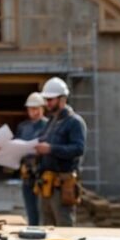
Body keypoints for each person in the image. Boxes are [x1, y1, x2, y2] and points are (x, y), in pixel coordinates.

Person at [34, 77, 86, 226]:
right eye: (47, 99)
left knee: (64, 230)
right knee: (47, 230)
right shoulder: (52, 122)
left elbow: (78, 148)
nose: (48, 103)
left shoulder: (75, 122)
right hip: (46, 184)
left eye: (51, 99)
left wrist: (50, 149)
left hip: (62, 186)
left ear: (63, 99)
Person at [16, 92, 48, 226]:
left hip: (43, 175)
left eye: (36, 109)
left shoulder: (49, 125)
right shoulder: (23, 127)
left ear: (42, 108)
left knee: (44, 212)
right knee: (31, 211)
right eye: (30, 109)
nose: (33, 112)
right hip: (27, 174)